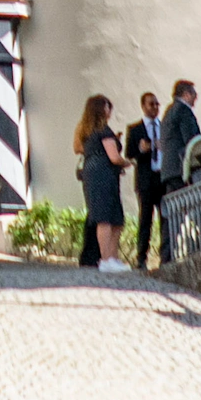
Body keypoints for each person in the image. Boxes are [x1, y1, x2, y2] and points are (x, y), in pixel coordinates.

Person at [71, 92, 127, 269]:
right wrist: (128, 162)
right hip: (105, 175)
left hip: (91, 172)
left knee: (104, 216)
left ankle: (109, 259)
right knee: (109, 217)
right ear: (104, 110)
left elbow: (77, 148)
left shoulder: (85, 130)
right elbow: (114, 157)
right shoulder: (104, 130)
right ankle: (108, 259)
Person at [126, 92, 167, 267]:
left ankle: (166, 254)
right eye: (151, 104)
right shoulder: (135, 129)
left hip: (163, 178)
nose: (155, 107)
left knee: (166, 217)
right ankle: (142, 257)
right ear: (143, 106)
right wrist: (141, 149)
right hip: (146, 179)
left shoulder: (164, 127)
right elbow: (129, 154)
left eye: (157, 104)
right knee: (145, 220)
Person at [159, 78, 201, 185]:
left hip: (169, 170)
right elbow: (192, 141)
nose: (196, 97)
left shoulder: (169, 111)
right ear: (186, 94)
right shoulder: (184, 111)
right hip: (181, 169)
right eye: (194, 94)